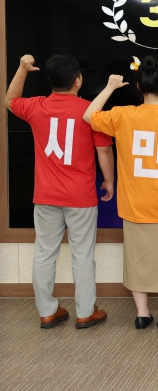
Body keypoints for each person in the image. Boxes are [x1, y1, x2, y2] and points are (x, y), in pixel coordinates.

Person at [83, 57, 158, 330]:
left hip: (134, 201)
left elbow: (89, 115)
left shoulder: (122, 115)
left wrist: (110, 87)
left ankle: (142, 313)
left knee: (136, 258)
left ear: (138, 86)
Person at [5, 54, 113, 329]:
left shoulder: (36, 106)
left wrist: (22, 69)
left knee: (44, 253)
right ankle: (85, 312)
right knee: (83, 255)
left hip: (46, 195)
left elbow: (10, 100)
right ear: (77, 81)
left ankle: (47, 312)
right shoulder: (89, 111)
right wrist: (109, 181)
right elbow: (103, 151)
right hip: (81, 196)